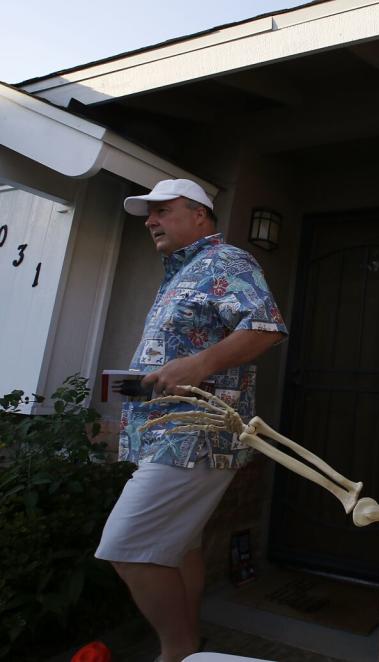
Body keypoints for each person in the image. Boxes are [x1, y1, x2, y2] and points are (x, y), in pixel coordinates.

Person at [95, 179, 287, 662]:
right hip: (166, 433)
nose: (150, 221)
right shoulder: (181, 272)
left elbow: (265, 327)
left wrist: (198, 365)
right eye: (148, 214)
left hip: (194, 436)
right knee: (180, 548)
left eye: (162, 210)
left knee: (128, 546)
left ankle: (176, 650)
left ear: (199, 214)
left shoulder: (226, 261)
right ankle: (189, 643)